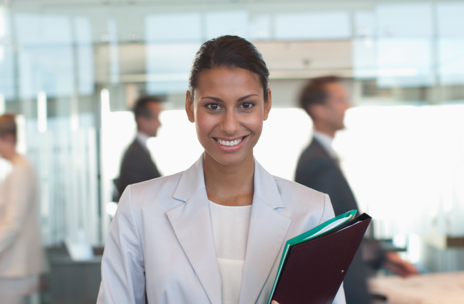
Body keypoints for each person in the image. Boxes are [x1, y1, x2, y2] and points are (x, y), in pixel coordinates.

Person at [97, 36, 346, 304]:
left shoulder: (312, 211)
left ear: (267, 104)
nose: (229, 125)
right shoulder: (140, 207)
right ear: (190, 106)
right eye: (213, 106)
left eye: (246, 105)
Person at [294, 76, 418, 304]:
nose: (347, 106)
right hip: (342, 288)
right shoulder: (317, 163)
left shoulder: (321, 156)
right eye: (340, 100)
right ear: (319, 110)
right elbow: (337, 233)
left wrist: (384, 257)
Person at [0, 114, 44, 304]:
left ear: (9, 138)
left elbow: (13, 223)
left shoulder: (20, 171)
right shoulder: (21, 168)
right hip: (14, 267)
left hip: (14, 268)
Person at [114, 96, 163, 200]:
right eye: (156, 118)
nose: (160, 124)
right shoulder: (134, 154)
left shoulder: (140, 149)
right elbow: (133, 198)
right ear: (142, 120)